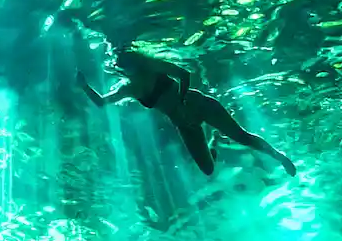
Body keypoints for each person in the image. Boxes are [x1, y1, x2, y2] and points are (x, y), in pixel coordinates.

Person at [80, 48, 295, 177]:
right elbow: (101, 102)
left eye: (130, 66)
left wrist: (182, 100)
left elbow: (184, 74)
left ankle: (280, 157)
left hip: (198, 105)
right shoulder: (128, 89)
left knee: (242, 137)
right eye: (124, 69)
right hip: (185, 125)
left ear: (136, 63)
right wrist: (84, 86)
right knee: (208, 170)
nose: (129, 71)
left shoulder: (153, 66)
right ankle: (214, 143)